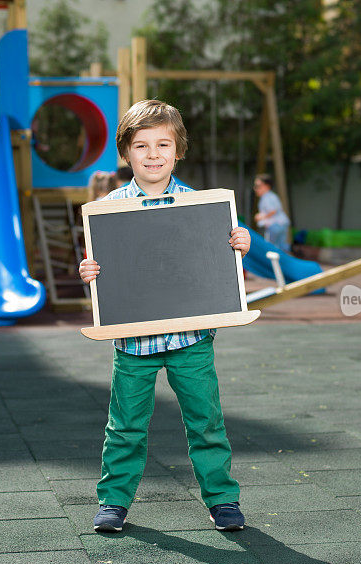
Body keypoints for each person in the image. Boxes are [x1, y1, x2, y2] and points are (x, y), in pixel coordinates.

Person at [79, 100, 251, 533]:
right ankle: (114, 502)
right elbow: (103, 268)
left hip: (191, 340)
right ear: (126, 153)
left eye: (162, 144)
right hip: (133, 344)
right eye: (141, 146)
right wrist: (90, 271)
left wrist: (238, 244)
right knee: (125, 426)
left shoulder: (203, 206)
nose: (152, 154)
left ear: (178, 151)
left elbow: (218, 267)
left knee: (206, 421)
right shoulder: (109, 209)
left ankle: (223, 499)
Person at [253, 173, 291, 252]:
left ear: (266, 186)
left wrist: (261, 217)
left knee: (271, 249)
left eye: (258, 186)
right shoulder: (272, 196)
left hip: (275, 225)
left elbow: (273, 210)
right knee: (281, 247)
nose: (255, 189)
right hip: (282, 223)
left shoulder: (266, 197)